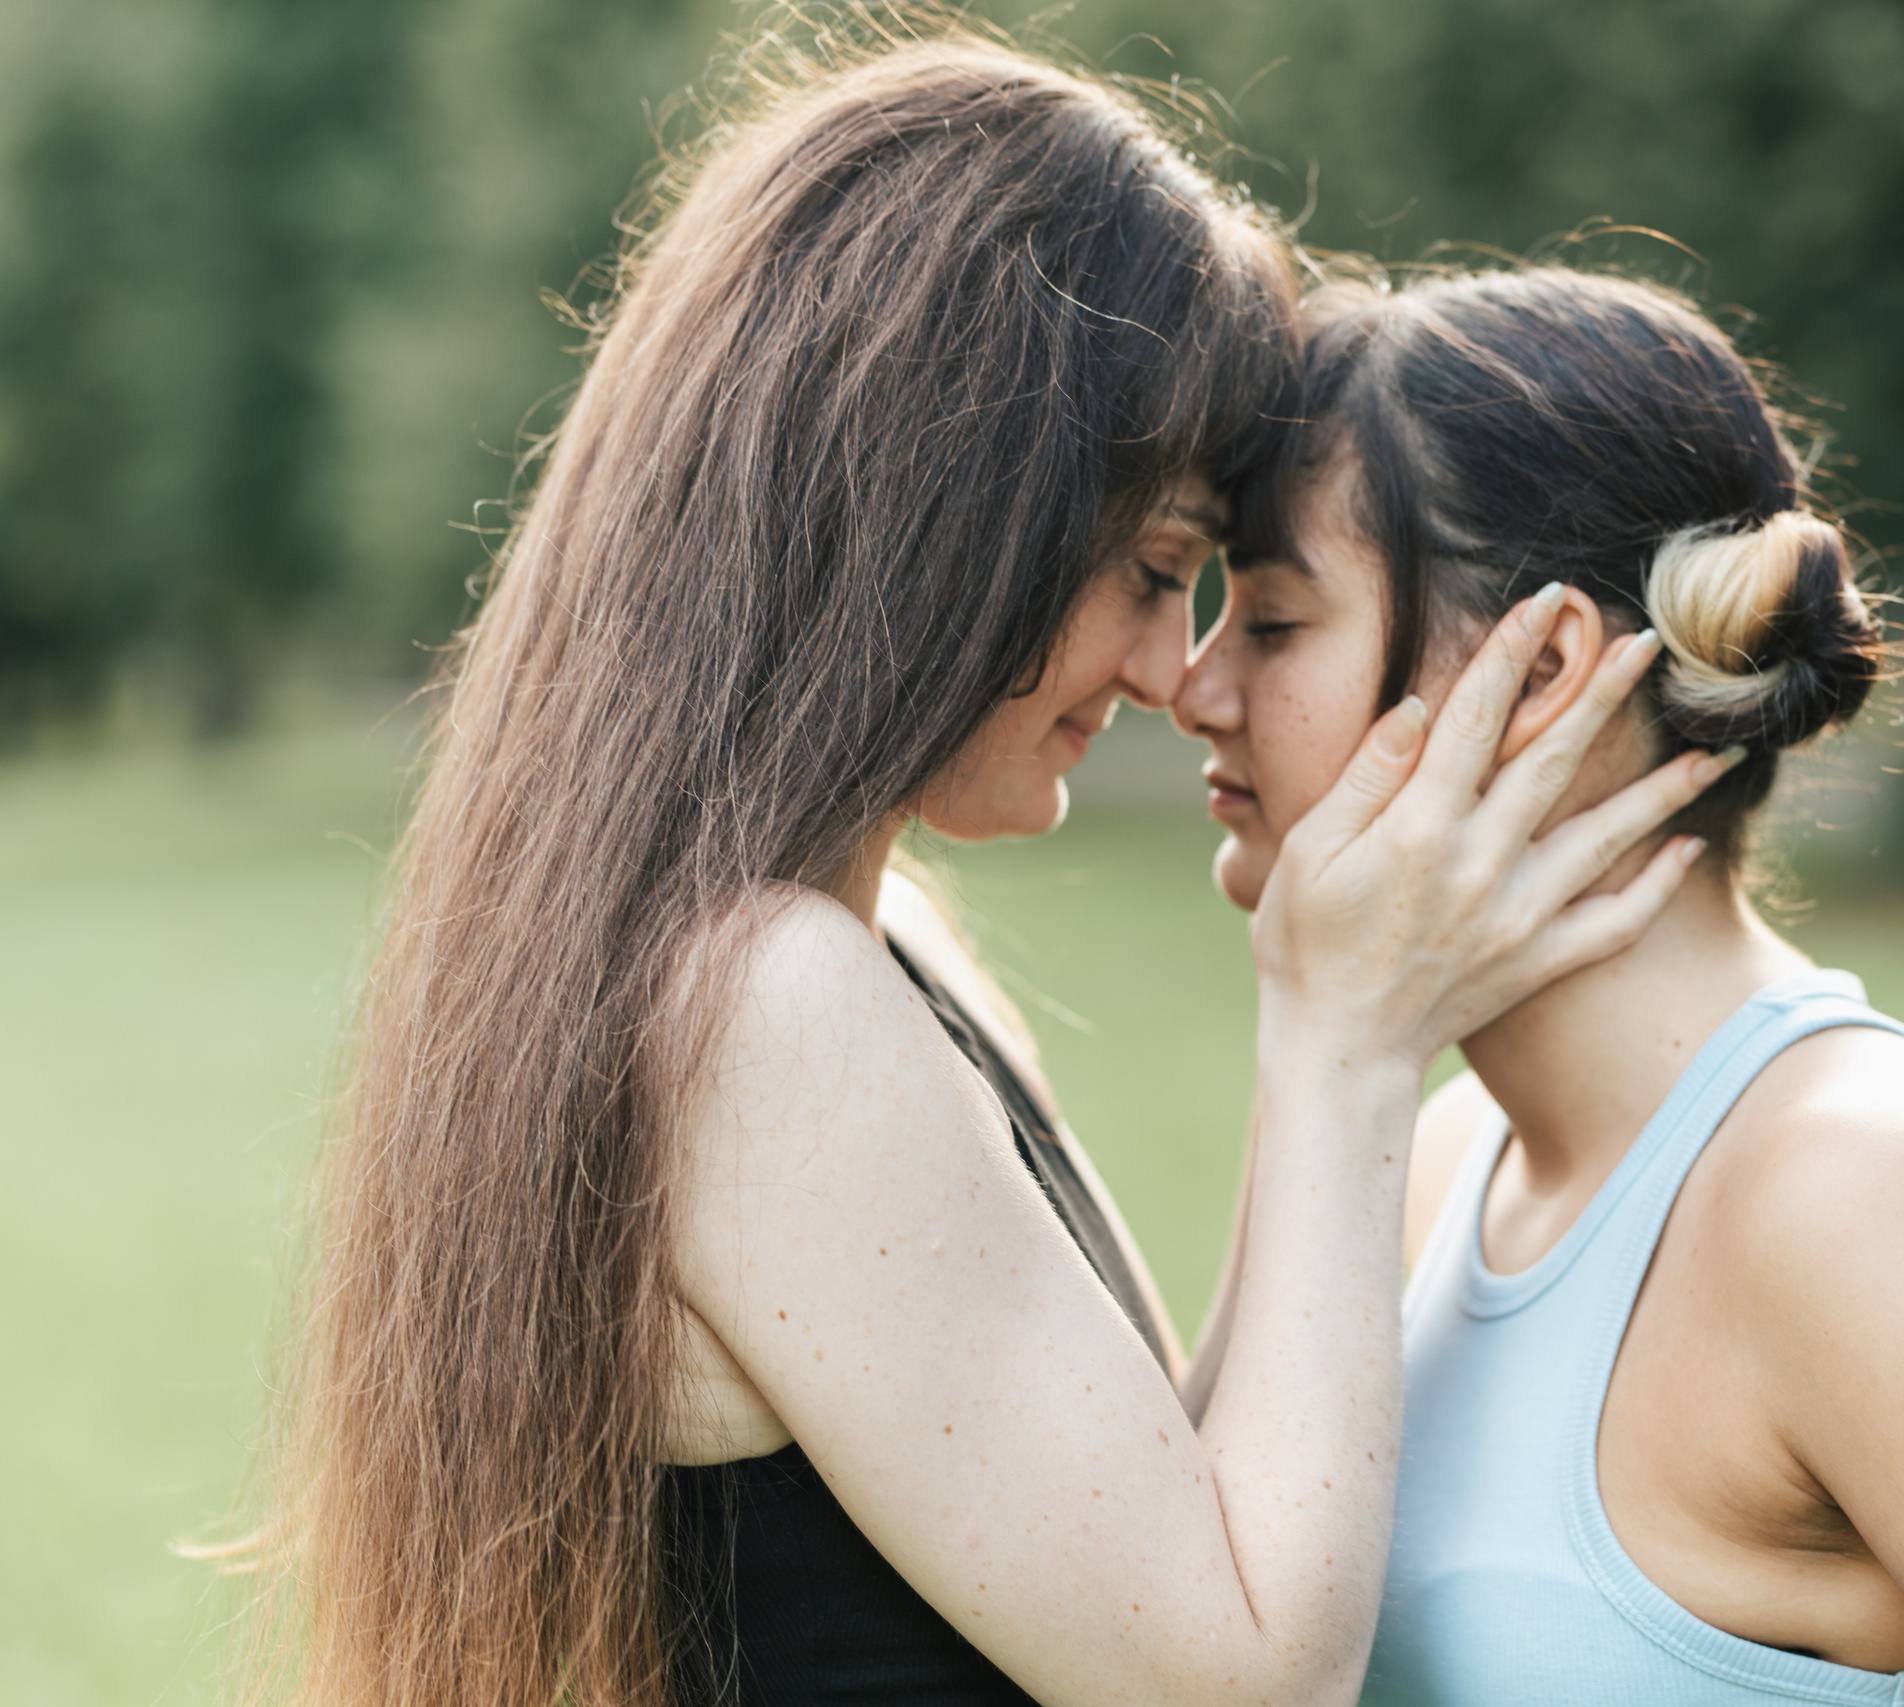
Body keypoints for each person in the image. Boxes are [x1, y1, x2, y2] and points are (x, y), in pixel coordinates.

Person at [246, 38, 1719, 1707]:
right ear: (944, 515)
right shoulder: (767, 1006)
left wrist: (1348, 1016)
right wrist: (1352, 1047)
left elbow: (1168, 1502)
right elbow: (1241, 1679)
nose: (1176, 669)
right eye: (1162, 568)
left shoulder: (862, 946)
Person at [1172, 266, 1904, 1706]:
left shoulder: (1866, 1192)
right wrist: (1319, 1047)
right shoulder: (1415, 1158)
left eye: (1275, 624)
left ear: (1543, 672)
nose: (1196, 688)